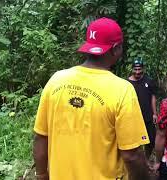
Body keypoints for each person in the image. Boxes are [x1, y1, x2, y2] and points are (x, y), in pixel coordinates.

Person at [33, 17, 151, 180]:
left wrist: (41, 175)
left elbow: (40, 136)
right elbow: (132, 155)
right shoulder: (122, 90)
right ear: (116, 49)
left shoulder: (56, 80)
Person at [128, 59, 157, 158]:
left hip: (147, 116)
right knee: (135, 141)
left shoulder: (148, 81)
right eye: (135, 69)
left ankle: (147, 159)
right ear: (132, 69)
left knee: (150, 139)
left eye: (139, 69)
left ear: (143, 69)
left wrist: (154, 113)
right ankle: (137, 161)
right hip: (133, 117)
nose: (137, 72)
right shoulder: (127, 83)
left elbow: (153, 97)